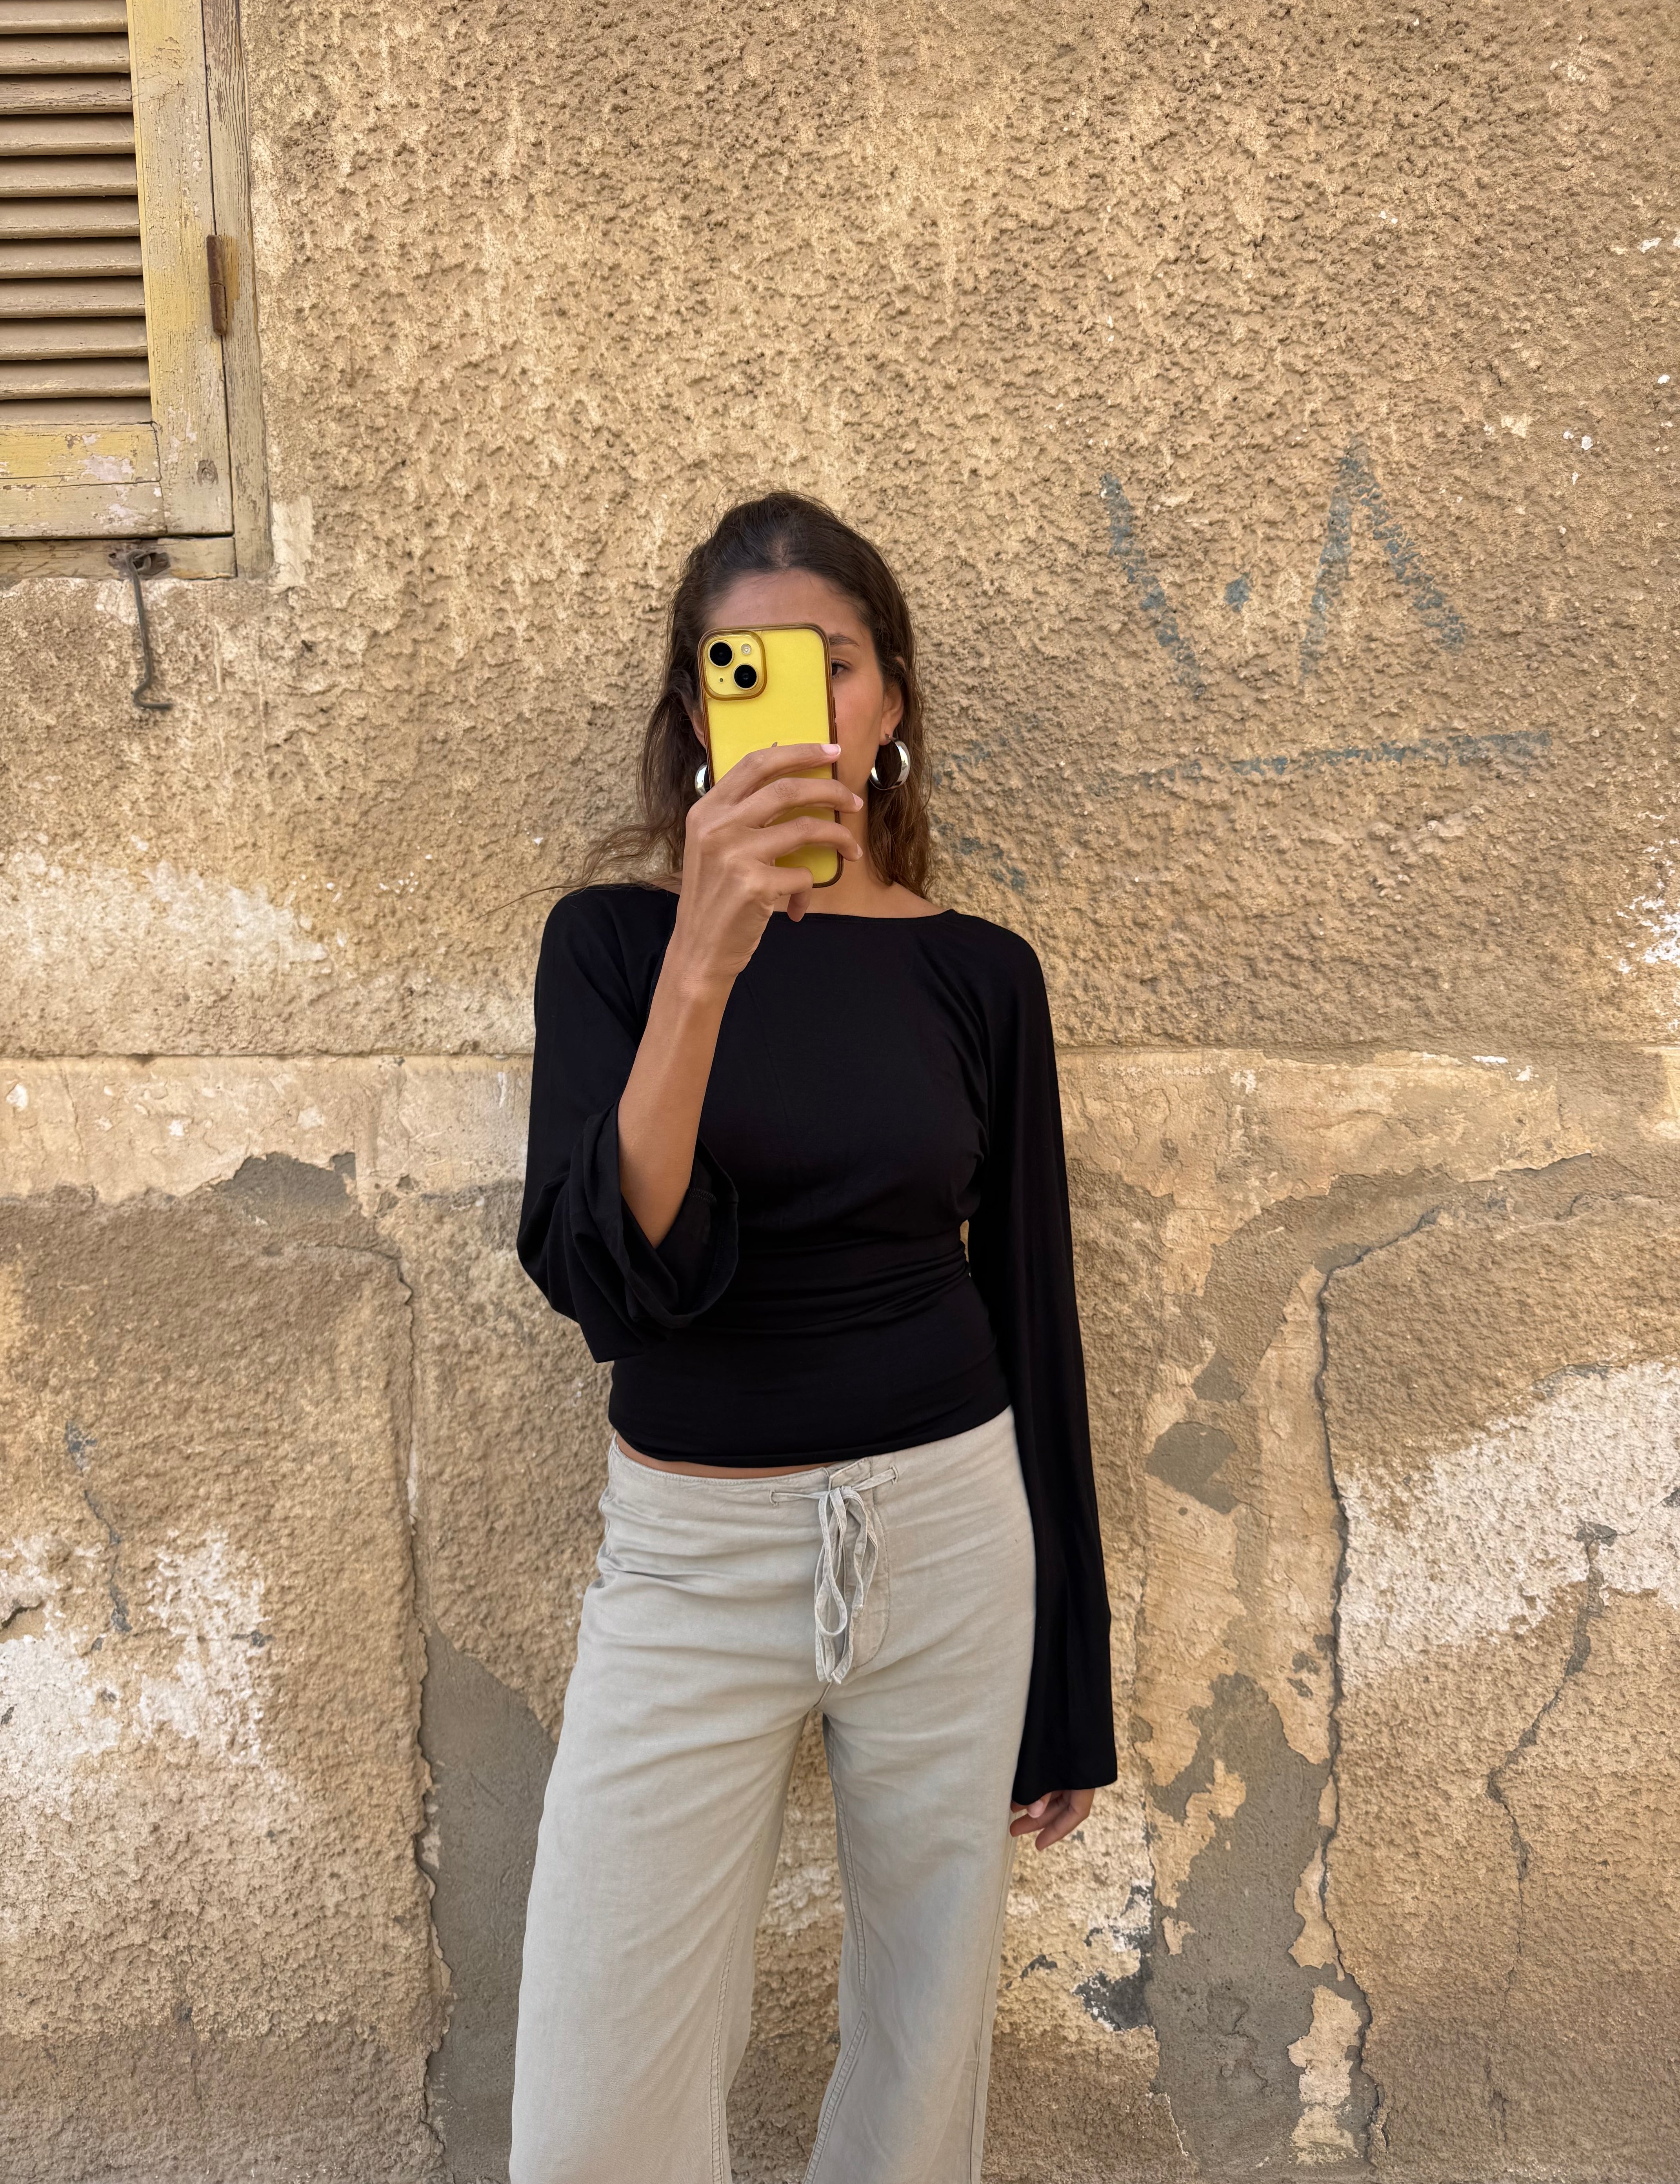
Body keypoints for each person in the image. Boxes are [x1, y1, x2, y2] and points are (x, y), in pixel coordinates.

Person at [509, 492, 1116, 2184]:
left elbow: (1034, 1306)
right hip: (692, 1559)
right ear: (697, 713)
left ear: (890, 700)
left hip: (950, 1533)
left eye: (831, 663)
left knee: (923, 2054)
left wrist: (1068, 1680)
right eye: (746, 669)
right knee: (594, 2108)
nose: (797, 702)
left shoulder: (980, 975)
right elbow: (610, 1282)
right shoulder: (612, 946)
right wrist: (706, 959)